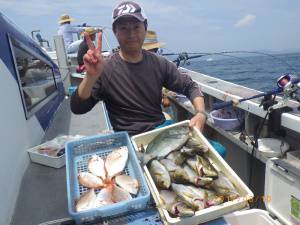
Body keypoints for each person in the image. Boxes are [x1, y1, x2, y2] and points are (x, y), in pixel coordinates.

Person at [70, 0, 206, 135]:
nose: (131, 34)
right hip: (128, 138)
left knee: (216, 149)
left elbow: (190, 86)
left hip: (160, 131)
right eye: (123, 28)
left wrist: (200, 113)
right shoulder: (105, 68)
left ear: (145, 27)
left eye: (136, 27)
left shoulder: (159, 63)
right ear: (115, 31)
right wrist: (90, 77)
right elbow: (78, 108)